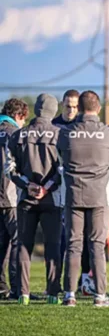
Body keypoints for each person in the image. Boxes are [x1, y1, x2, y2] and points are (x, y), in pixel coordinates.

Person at [59, 91, 109, 307]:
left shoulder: (66, 133)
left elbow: (60, 161)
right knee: (97, 245)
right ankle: (100, 296)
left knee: (73, 245)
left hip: (73, 194)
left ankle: (69, 295)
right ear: (99, 108)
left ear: (78, 108)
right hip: (99, 195)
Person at [5, 94, 63, 305]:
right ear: (53, 110)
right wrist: (46, 188)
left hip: (25, 200)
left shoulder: (18, 135)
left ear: (36, 109)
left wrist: (27, 185)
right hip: (52, 199)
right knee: (53, 245)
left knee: (23, 246)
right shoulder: (60, 134)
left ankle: (24, 294)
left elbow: (9, 168)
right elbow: (63, 169)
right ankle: (53, 294)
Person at [52, 89, 94, 296]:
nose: (71, 110)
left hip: (81, 189)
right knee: (61, 240)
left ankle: (84, 281)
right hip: (57, 190)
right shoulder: (54, 127)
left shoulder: (82, 128)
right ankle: (56, 282)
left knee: (84, 238)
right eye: (68, 106)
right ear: (62, 105)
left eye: (75, 107)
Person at [0, 98, 29, 300]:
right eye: (23, 119)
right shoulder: (15, 134)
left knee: (1, 244)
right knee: (19, 242)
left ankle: (1, 288)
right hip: (10, 196)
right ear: (18, 116)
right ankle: (18, 288)